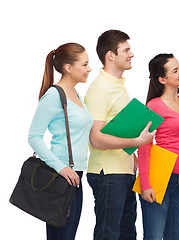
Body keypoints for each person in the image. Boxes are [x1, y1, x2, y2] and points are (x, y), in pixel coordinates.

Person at [84, 30, 155, 240]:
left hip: (123, 173)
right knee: (109, 234)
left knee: (127, 233)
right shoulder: (99, 89)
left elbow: (115, 130)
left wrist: (132, 156)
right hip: (108, 173)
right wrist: (137, 141)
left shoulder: (118, 86)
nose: (131, 54)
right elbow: (95, 138)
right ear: (110, 55)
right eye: (126, 50)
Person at [28, 43, 93, 240]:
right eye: (85, 64)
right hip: (61, 177)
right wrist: (61, 168)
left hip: (76, 176)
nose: (89, 68)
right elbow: (34, 137)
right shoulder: (54, 95)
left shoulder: (75, 94)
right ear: (68, 68)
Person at [137, 54, 179, 240]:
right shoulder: (154, 105)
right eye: (175, 70)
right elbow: (144, 147)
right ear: (162, 79)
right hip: (158, 178)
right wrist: (146, 185)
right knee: (154, 237)